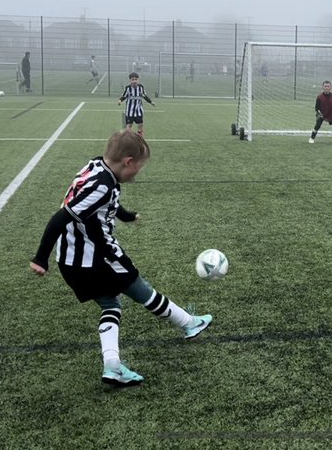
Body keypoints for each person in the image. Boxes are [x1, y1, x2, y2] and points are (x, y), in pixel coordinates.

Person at [29, 130, 213, 387]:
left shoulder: (96, 166)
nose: (138, 173)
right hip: (98, 258)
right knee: (143, 291)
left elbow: (100, 205)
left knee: (111, 306)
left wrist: (125, 216)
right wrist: (40, 258)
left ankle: (112, 365)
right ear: (128, 162)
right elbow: (60, 217)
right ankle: (189, 323)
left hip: (70, 261)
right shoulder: (104, 185)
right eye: (138, 167)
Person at [118, 72, 156, 137]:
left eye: (136, 79)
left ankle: (140, 137)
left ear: (138, 80)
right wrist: (120, 100)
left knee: (140, 125)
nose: (134, 81)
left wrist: (151, 102)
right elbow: (124, 96)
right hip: (130, 111)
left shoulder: (141, 87)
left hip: (138, 111)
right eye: (132, 79)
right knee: (129, 125)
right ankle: (128, 137)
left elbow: (144, 96)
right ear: (130, 80)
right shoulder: (128, 88)